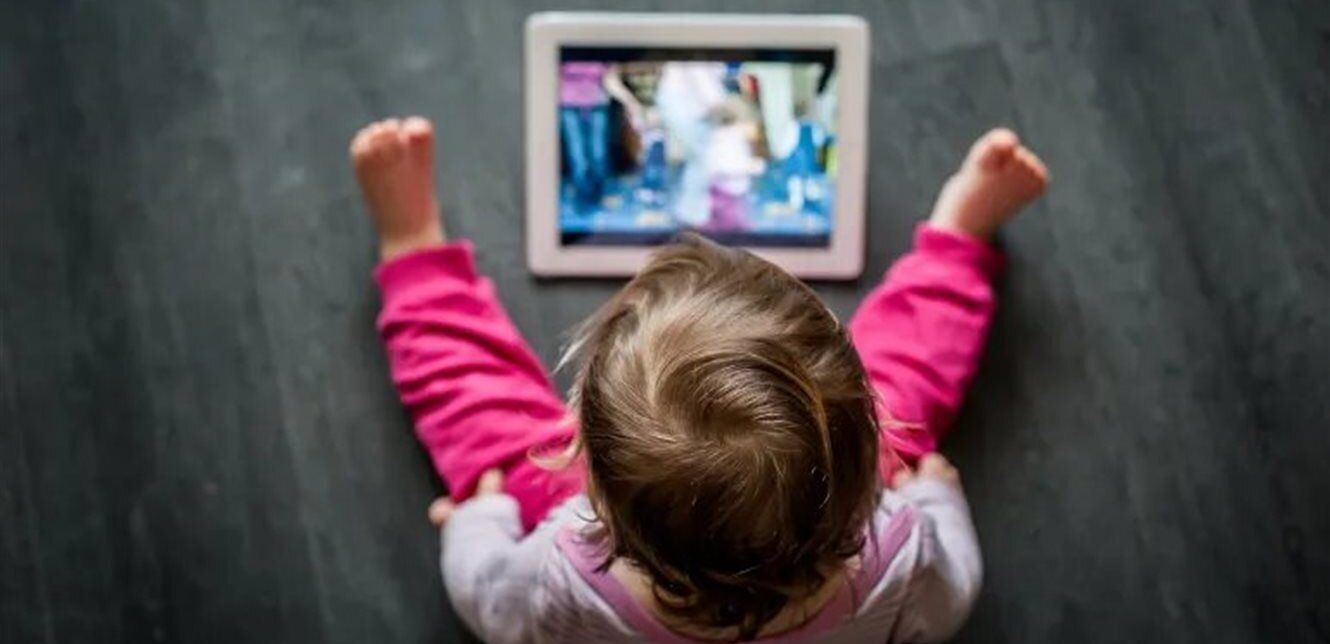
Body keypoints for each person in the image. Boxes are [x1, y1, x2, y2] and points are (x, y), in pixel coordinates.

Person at [350, 117, 1048, 642]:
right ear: (871, 451)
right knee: (906, 371)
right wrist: (933, 497)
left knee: (490, 435)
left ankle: (414, 251)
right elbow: (954, 594)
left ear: (589, 485)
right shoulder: (902, 555)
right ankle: (958, 244)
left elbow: (488, 599)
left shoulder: (564, 578)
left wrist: (479, 522)